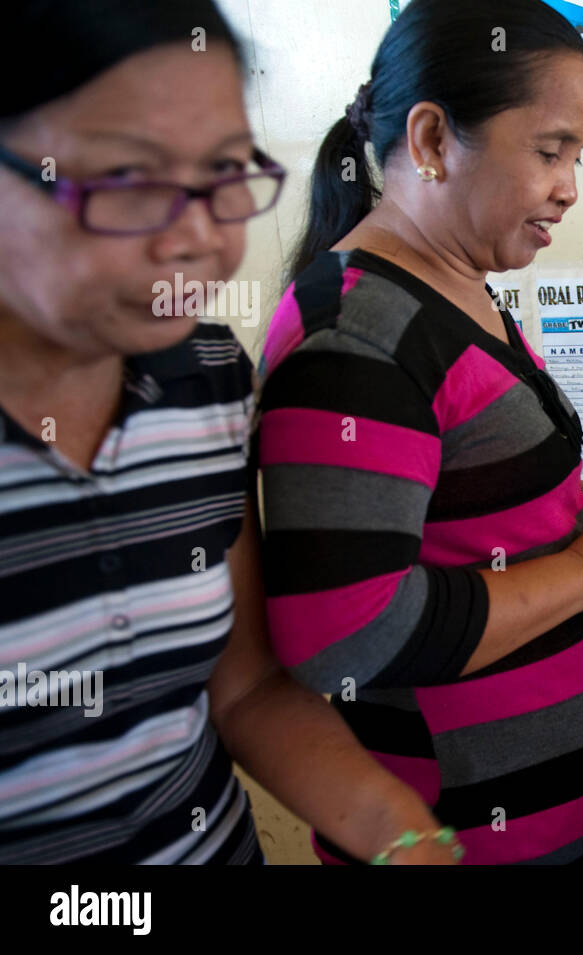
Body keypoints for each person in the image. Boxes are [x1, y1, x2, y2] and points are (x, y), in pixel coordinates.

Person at [0, 0, 463, 864]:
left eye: (221, 175)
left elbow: (247, 688)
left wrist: (407, 842)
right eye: (129, 183)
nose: (198, 239)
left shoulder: (204, 377)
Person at [256, 0, 583, 865]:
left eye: (579, 154)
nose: (570, 185)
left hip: (563, 826)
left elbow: (460, 517)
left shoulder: (453, 287)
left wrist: (577, 518)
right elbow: (343, 634)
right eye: (549, 150)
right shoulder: (361, 338)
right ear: (429, 140)